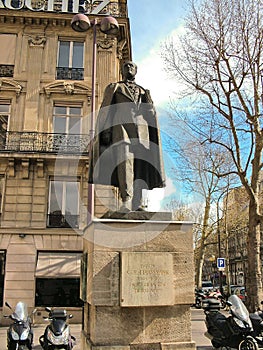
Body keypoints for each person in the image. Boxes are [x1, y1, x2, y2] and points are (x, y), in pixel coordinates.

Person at [88, 61, 165, 212]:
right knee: (125, 165)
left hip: (142, 133)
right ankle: (126, 200)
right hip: (121, 130)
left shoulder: (143, 91)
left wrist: (149, 103)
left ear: (136, 70)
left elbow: (150, 115)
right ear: (122, 70)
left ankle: (138, 203)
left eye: (132, 66)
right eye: (126, 66)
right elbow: (106, 109)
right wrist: (105, 131)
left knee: (140, 166)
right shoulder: (115, 87)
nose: (129, 68)